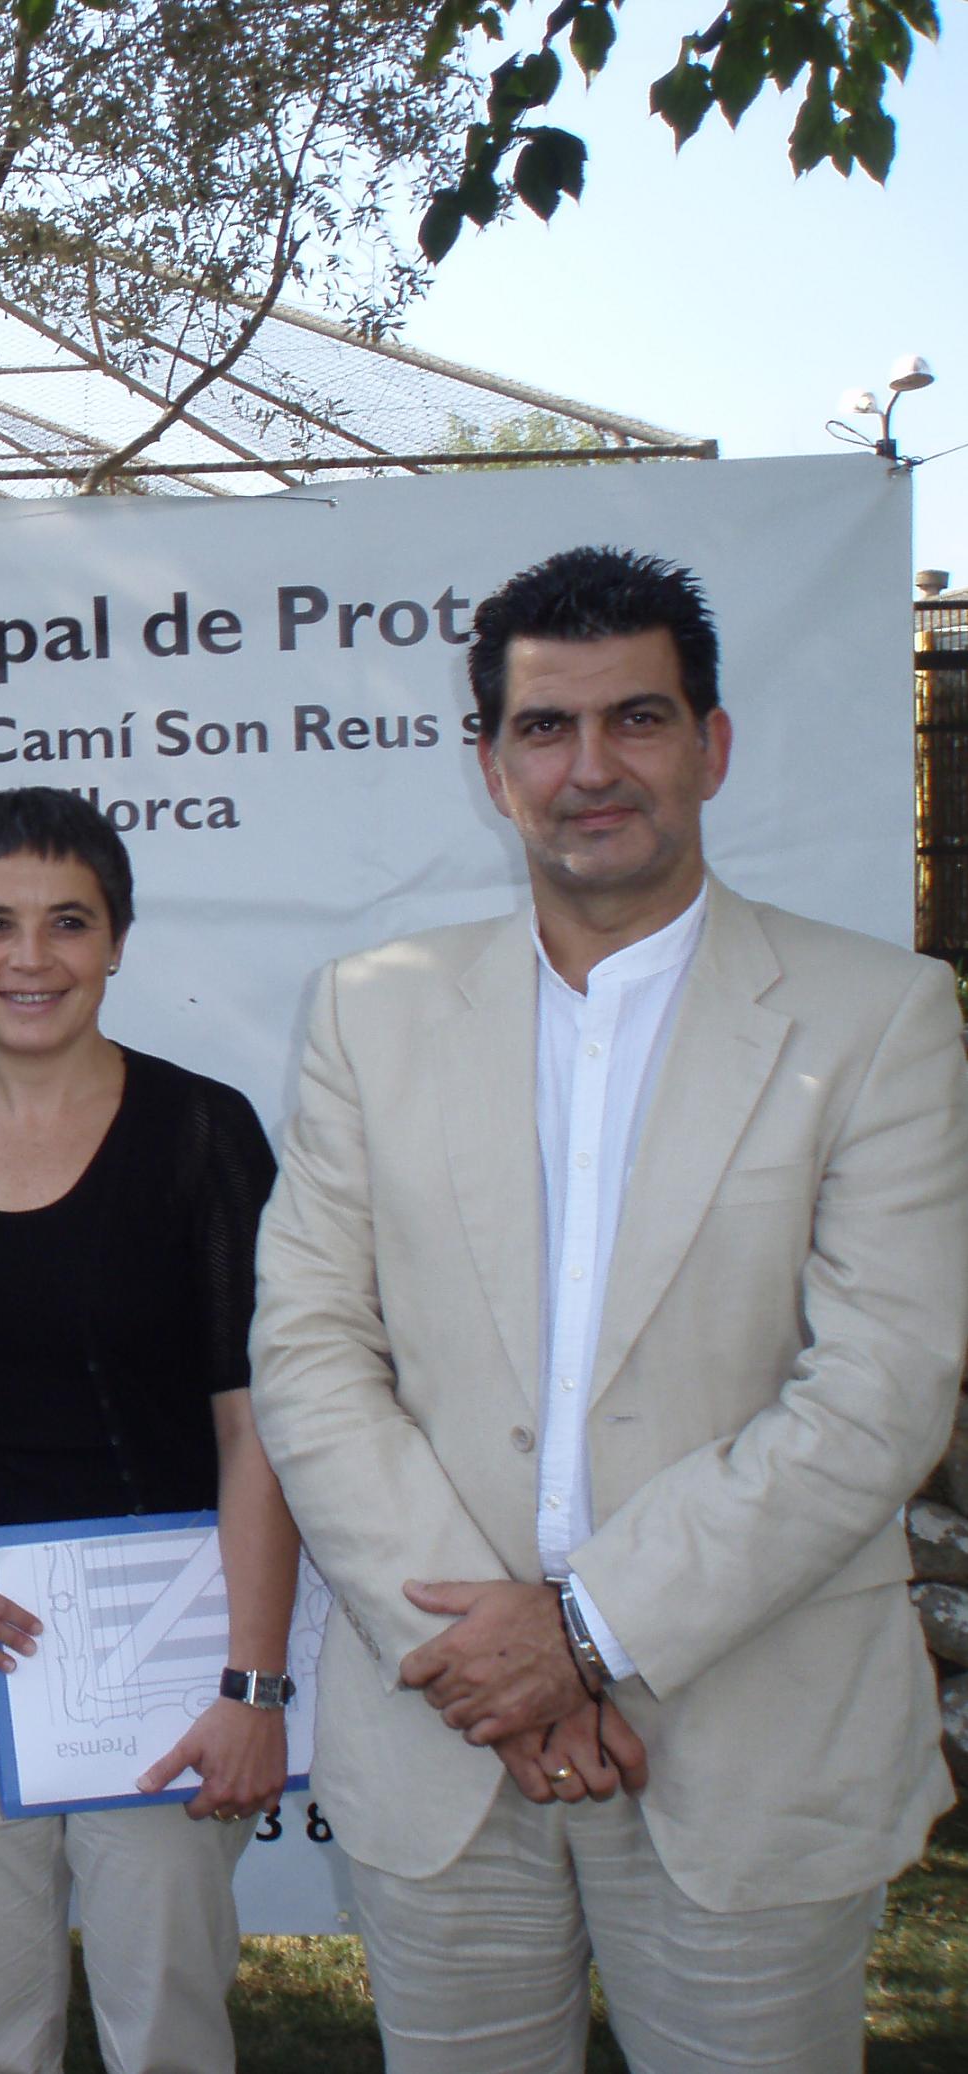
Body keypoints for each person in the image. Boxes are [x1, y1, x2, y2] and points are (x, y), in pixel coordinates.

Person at [250, 546, 968, 2071]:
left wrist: (580, 1632)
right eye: (543, 727)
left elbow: (881, 1389)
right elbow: (309, 1348)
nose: (589, 769)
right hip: (443, 1732)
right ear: (489, 765)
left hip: (748, 1747)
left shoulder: (876, 1019)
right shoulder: (367, 1009)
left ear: (709, 745)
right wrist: (494, 1662)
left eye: (635, 721)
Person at [0, 786, 301, 2074]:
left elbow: (258, 1424)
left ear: (120, 939)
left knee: (166, 2032)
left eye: (68, 922)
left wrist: (251, 1681)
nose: (30, 959)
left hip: (164, 1658)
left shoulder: (202, 1134)